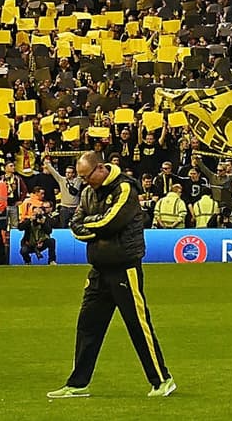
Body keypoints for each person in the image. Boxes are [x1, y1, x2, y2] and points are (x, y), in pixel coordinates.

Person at [49, 151, 174, 400]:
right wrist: (93, 226)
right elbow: (76, 224)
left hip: (125, 267)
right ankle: (78, 383)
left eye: (87, 176)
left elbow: (112, 222)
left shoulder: (125, 189)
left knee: (138, 325)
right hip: (99, 268)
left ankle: (162, 380)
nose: (84, 182)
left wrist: (91, 225)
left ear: (100, 168)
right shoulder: (87, 192)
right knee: (88, 326)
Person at [18, 196, 59, 264]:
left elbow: (49, 231)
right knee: (23, 250)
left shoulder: (45, 219)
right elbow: (20, 227)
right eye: (35, 213)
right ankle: (27, 261)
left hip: (42, 242)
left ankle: (52, 260)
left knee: (52, 241)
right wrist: (30, 220)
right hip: (30, 243)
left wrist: (43, 223)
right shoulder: (29, 221)